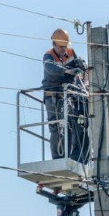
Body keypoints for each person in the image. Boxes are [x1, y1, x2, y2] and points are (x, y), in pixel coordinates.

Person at [41, 28, 89, 163]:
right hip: (53, 96)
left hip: (68, 95)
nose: (63, 49)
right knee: (56, 127)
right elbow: (52, 69)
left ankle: (70, 157)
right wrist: (69, 71)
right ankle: (58, 159)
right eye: (61, 46)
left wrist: (81, 63)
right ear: (54, 45)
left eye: (65, 46)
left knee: (70, 124)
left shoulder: (70, 52)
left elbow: (79, 62)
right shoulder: (48, 56)